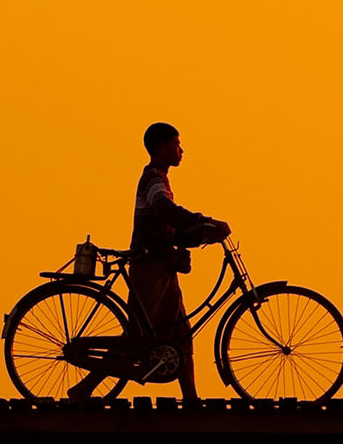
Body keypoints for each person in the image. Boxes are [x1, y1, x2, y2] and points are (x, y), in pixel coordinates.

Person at [70, 122, 230, 403]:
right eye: (175, 144)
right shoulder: (153, 179)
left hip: (163, 266)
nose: (181, 150)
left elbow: (169, 227)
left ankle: (191, 397)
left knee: (179, 332)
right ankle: (83, 388)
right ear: (160, 148)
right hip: (149, 266)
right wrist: (201, 220)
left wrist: (199, 233)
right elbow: (164, 209)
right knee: (138, 336)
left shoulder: (161, 180)